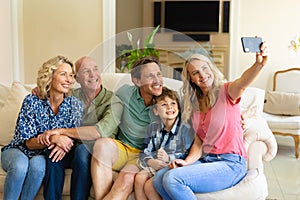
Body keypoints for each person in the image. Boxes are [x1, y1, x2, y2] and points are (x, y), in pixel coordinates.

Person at [152, 41, 269, 200]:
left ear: (211, 68)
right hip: (206, 160)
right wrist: (186, 162)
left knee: (173, 179)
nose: (202, 75)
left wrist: (258, 65)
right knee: (159, 179)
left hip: (231, 164)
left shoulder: (226, 91)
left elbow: (243, 82)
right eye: (195, 73)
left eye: (205, 68)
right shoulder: (193, 105)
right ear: (191, 79)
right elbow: (199, 142)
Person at [37, 56, 122, 200]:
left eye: (95, 69)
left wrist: (62, 132)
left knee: (83, 151)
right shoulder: (71, 96)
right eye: (86, 71)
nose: (93, 74)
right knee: (53, 151)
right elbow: (50, 94)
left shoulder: (113, 101)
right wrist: (40, 90)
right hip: (72, 147)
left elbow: (98, 132)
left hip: (98, 153)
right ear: (76, 78)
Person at [1, 55, 83, 200]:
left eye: (71, 75)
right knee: (20, 166)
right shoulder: (32, 101)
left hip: (41, 155)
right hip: (20, 149)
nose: (69, 80)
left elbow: (75, 135)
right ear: (50, 76)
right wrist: (54, 138)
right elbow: (28, 143)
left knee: (39, 168)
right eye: (63, 74)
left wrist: (64, 140)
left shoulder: (74, 104)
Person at [91, 56, 163, 200]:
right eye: (150, 76)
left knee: (126, 179)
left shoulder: (167, 101)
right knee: (101, 144)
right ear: (137, 81)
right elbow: (99, 95)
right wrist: (45, 91)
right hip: (123, 147)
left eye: (159, 74)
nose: (157, 80)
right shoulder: (125, 93)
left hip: (144, 155)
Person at [134, 87, 194, 200]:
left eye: (173, 103)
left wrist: (169, 158)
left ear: (179, 108)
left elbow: (188, 153)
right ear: (156, 111)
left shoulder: (185, 128)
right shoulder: (153, 128)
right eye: (164, 105)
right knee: (139, 178)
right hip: (157, 164)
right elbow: (144, 152)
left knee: (149, 187)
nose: (170, 107)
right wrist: (151, 161)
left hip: (174, 166)